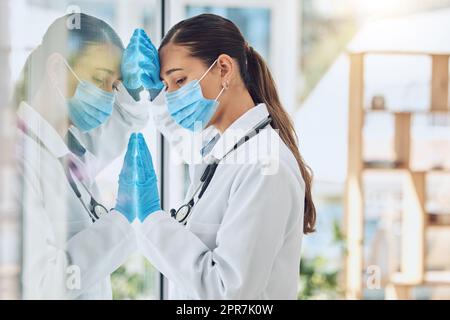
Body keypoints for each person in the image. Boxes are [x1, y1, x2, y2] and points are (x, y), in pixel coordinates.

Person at [117, 13, 317, 299]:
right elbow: (185, 138)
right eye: (166, 86)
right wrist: (155, 95)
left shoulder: (263, 167)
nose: (172, 96)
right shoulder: (225, 146)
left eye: (179, 80)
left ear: (223, 68)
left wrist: (151, 220)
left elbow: (229, 293)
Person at [14, 13, 159, 299]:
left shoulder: (68, 147)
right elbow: (43, 285)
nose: (107, 95)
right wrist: (120, 219)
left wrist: (130, 87)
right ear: (56, 69)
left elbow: (123, 122)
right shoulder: (17, 161)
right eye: (101, 80)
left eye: (114, 86)